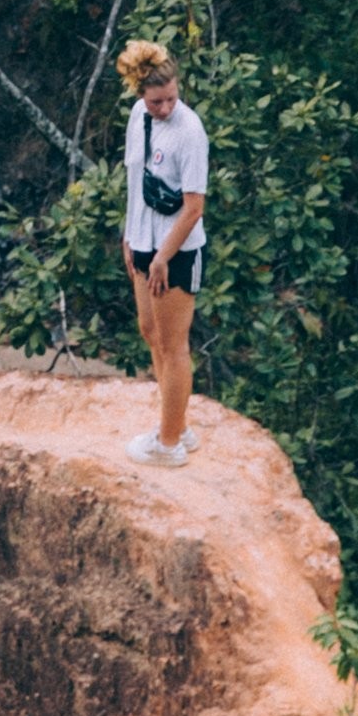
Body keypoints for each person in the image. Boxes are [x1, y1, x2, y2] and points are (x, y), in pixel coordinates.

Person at [117, 36, 210, 465]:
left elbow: (193, 208)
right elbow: (136, 181)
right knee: (150, 332)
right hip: (144, 240)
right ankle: (177, 422)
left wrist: (161, 258)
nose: (165, 109)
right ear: (140, 95)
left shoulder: (189, 131)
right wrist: (130, 236)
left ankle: (169, 444)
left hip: (175, 252)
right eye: (157, 102)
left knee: (174, 346)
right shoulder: (139, 117)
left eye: (171, 98)